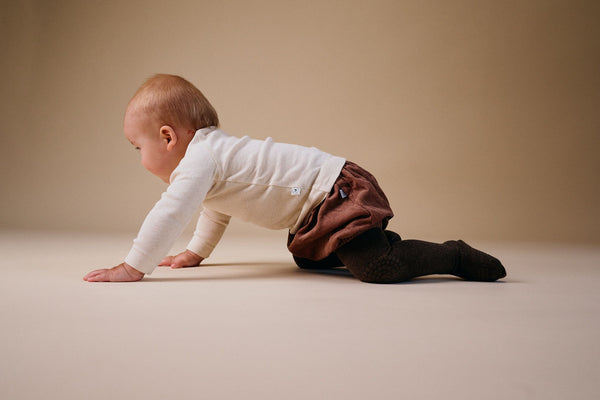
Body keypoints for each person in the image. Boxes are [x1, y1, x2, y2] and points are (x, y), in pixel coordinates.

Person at [83, 74, 506, 283]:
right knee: (310, 259)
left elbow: (173, 211)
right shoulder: (207, 159)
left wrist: (133, 267)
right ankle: (377, 241)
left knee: (377, 268)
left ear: (167, 137)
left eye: (137, 148)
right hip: (315, 207)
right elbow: (215, 208)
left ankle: (451, 256)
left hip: (336, 191)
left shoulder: (200, 158)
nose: (139, 157)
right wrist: (195, 254)